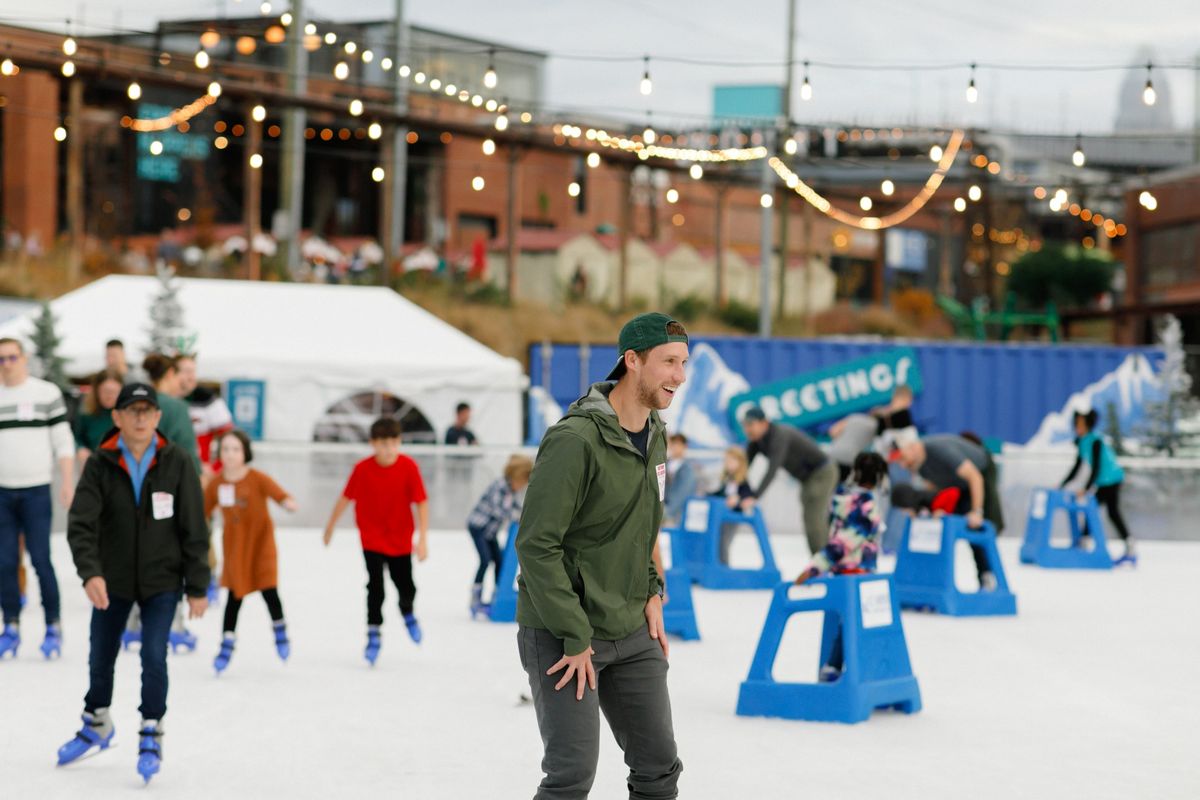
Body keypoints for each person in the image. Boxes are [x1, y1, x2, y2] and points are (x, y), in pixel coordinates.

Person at [516, 311, 685, 800]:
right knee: (571, 778)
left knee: (659, 770)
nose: (679, 375)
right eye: (669, 362)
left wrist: (653, 589)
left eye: (684, 362)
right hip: (562, 632)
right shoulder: (574, 440)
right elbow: (536, 544)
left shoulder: (656, 433)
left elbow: (646, 523)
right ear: (632, 361)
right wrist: (573, 633)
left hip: (631, 627)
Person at [58, 382, 209, 783]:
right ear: (117, 417)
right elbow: (81, 525)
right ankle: (97, 723)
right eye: (132, 410)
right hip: (113, 579)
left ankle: (151, 731)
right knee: (100, 654)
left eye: (147, 410)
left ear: (158, 417)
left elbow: (194, 525)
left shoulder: (176, 462)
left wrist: (197, 584)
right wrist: (90, 572)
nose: (140, 417)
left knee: (154, 654)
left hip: (162, 579)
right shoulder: (101, 463)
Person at [323, 417, 429, 664]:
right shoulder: (362, 469)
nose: (388, 448)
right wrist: (330, 526)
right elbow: (345, 498)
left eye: (393, 442)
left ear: (399, 442)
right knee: (376, 587)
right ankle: (373, 632)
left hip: (401, 539)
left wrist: (422, 538)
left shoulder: (409, 467)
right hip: (371, 538)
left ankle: (407, 612)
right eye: (382, 443)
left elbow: (421, 502)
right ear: (372, 443)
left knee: (407, 586)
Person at [0, 337, 75, 661]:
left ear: (24, 358)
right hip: (2, 491)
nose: (7, 364)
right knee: (4, 563)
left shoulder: (45, 393)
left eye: (11, 358)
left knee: (41, 560)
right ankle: (11, 624)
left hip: (36, 490)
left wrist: (67, 481)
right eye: (0, 359)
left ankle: (53, 624)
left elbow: (63, 441)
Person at [204, 430, 298, 674]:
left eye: (235, 449)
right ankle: (227, 643)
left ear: (245, 452)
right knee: (234, 598)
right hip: (235, 549)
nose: (230, 454)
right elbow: (202, 509)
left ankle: (280, 632)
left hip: (261, 546)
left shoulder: (257, 478)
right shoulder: (217, 483)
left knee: (270, 591)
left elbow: (280, 494)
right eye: (225, 449)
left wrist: (288, 502)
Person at [127, 353, 202, 652]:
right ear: (170, 373)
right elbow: (188, 457)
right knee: (171, 558)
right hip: (169, 494)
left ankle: (133, 620)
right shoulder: (175, 408)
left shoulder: (135, 403)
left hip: (135, 490)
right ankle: (173, 622)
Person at [794, 452, 889, 682]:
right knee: (855, 621)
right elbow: (843, 543)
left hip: (841, 572)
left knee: (849, 619)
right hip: (858, 572)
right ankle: (834, 666)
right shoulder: (866, 507)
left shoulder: (840, 499)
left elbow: (836, 536)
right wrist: (815, 567)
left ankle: (848, 666)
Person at [893, 434, 1005, 589]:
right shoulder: (919, 467)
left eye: (904, 459)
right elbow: (936, 490)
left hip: (980, 475)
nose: (904, 465)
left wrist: (977, 511)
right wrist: (934, 510)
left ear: (913, 448)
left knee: (978, 527)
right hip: (958, 485)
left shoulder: (940, 450)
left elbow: (975, 477)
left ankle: (987, 576)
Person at [741, 406, 839, 558]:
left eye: (751, 424)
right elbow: (743, 468)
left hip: (822, 472)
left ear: (764, 423)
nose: (747, 429)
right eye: (745, 425)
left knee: (814, 520)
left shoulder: (780, 435)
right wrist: (739, 491)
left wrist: (755, 496)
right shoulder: (756, 441)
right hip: (807, 478)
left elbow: (772, 469)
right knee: (810, 520)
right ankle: (823, 561)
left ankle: (824, 562)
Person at [1061, 409, 1135, 566]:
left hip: (1112, 479)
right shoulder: (1083, 442)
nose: (1078, 427)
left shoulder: (1095, 441)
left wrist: (1086, 489)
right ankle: (1085, 541)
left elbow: (1095, 467)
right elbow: (1077, 467)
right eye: (1077, 424)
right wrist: (1062, 484)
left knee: (1108, 512)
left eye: (1081, 424)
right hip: (1103, 481)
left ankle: (1129, 545)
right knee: (1096, 510)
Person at [465, 454, 534, 619]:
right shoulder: (499, 486)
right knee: (485, 560)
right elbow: (499, 510)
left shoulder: (510, 490)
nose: (522, 487)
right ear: (516, 477)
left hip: (490, 531)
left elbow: (516, 507)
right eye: (522, 482)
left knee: (499, 560)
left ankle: (498, 593)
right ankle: (475, 598)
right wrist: (516, 516)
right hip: (479, 527)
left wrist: (525, 515)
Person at [176, 353, 234, 476]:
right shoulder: (167, 401)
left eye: (193, 371)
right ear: (172, 373)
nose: (191, 377)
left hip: (201, 474)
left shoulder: (208, 399)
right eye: (186, 372)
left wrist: (216, 467)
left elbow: (229, 437)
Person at [710, 446, 755, 564]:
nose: (728, 464)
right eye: (726, 461)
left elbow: (747, 495)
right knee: (717, 541)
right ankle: (719, 565)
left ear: (740, 463)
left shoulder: (743, 481)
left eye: (731, 461)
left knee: (724, 542)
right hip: (722, 516)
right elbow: (720, 493)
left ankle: (724, 566)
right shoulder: (727, 479)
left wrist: (739, 500)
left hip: (732, 517)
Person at [75, 370, 125, 462]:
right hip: (95, 464)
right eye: (105, 391)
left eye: (114, 391)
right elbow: (77, 437)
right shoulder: (87, 413)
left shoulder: (127, 414)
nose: (109, 396)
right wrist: (80, 448)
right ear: (96, 390)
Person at [662, 433, 699, 527]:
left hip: (676, 519)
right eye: (673, 444)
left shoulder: (688, 470)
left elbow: (680, 494)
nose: (674, 447)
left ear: (684, 446)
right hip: (658, 514)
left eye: (678, 444)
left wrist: (665, 513)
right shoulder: (663, 464)